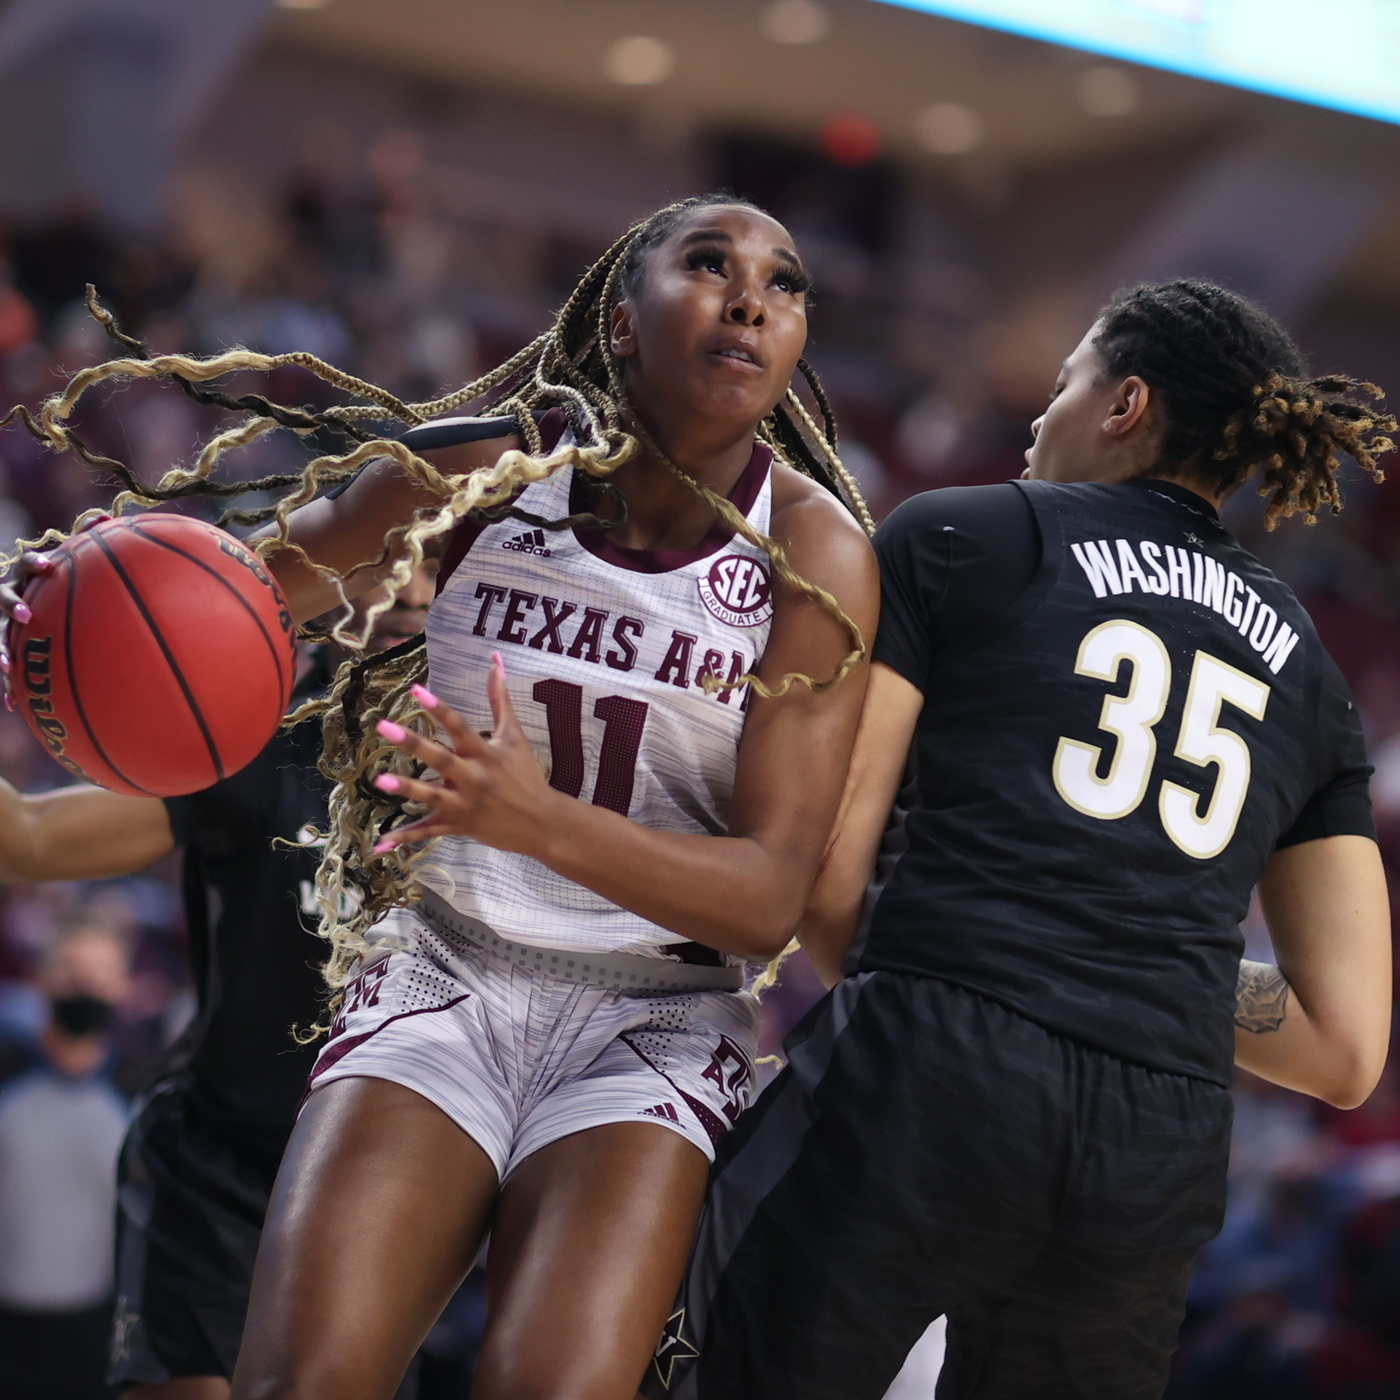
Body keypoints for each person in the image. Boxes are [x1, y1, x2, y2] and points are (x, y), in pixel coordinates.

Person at [8, 193, 877, 1400]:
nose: (750, 297)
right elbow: (239, 601)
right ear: (620, 322)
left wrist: (533, 818)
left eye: (784, 285)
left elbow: (768, 898)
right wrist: (84, 607)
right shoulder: (475, 468)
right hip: (445, 970)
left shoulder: (816, 553)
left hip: (653, 1019)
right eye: (709, 264)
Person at [645, 279, 1394, 1400]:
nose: (1040, 420)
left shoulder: (965, 529)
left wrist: (976, 975)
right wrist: (1138, 968)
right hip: (1157, 1137)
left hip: (933, 1057)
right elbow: (1343, 1050)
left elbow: (825, 863)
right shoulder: (1314, 672)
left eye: (1062, 385)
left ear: (1123, 402)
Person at [0, 569, 434, 1400]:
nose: (409, 587)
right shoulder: (246, 749)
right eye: (385, 559)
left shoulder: (506, 775)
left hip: (392, 1193)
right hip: (221, 1172)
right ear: (320, 590)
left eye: (432, 560)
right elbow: (26, 840)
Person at [0, 919, 132, 1400]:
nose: (85, 984)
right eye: (71, 969)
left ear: (123, 985)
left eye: (100, 972)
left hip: (95, 1336)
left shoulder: (146, 1094)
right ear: (42, 978)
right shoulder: (8, 1077)